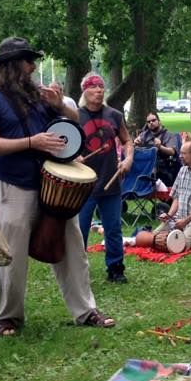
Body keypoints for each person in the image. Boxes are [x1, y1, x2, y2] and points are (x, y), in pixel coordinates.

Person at [0, 37, 114, 337]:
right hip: (14, 185)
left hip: (54, 184)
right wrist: (30, 143)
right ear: (12, 66)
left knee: (73, 246)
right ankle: (8, 317)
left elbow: (74, 119)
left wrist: (60, 105)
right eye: (28, 61)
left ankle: (86, 311)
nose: (33, 66)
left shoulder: (38, 96)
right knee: (13, 252)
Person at [76, 73, 133, 284]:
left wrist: (128, 160)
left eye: (101, 87)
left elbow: (128, 141)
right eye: (94, 87)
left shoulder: (114, 115)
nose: (99, 90)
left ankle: (116, 268)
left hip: (110, 182)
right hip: (83, 185)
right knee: (79, 231)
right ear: (85, 91)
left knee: (113, 228)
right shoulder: (75, 116)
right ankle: (78, 271)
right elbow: (65, 146)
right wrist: (74, 156)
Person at [134, 111, 180, 186]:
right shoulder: (143, 135)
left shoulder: (168, 135)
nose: (151, 123)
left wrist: (160, 147)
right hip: (145, 166)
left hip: (163, 169)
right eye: (148, 122)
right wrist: (135, 144)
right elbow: (136, 150)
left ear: (159, 121)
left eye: (153, 120)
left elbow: (172, 152)